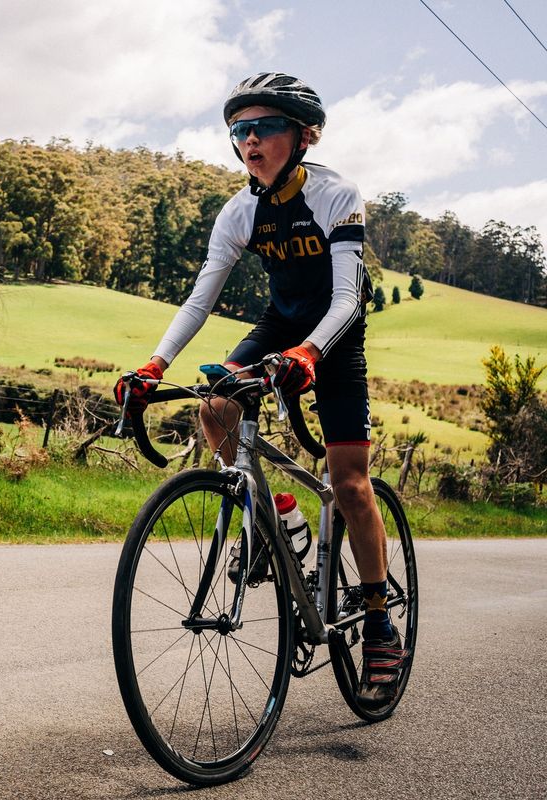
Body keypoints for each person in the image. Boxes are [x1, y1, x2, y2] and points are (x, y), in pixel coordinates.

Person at [114, 72, 405, 711]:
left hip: (335, 332)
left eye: (263, 127)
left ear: (304, 136)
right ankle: (281, 519)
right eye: (238, 130)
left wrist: (309, 353)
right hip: (279, 325)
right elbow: (202, 295)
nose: (248, 140)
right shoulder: (239, 210)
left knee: (350, 482)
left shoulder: (336, 194)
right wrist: (155, 364)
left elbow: (348, 298)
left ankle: (379, 620)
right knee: (214, 407)